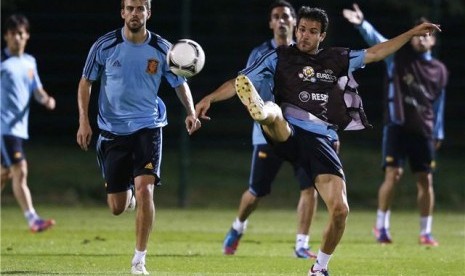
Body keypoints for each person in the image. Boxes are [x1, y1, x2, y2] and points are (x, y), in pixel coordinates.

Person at [233, 6, 441, 276]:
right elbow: (238, 80)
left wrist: (412, 32)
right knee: (271, 130)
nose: (306, 35)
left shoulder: (335, 58)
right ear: (296, 31)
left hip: (321, 140)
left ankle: (318, 268)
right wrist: (207, 101)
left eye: (313, 31)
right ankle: (265, 111)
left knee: (340, 210)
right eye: (303, 30)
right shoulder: (279, 56)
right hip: (288, 132)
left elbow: (378, 51)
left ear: (322, 36)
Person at [76, 0, 201, 275]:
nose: (135, 13)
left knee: (146, 189)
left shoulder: (162, 48)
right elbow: (86, 82)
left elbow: (180, 82)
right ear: (122, 12)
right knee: (117, 207)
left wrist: (191, 112)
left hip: (149, 126)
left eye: (140, 8)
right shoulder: (104, 45)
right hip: (112, 131)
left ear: (149, 12)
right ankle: (127, 195)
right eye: (130, 8)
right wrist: (84, 121)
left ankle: (139, 260)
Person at [195, 0, 326, 259]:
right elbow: (239, 82)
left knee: (309, 186)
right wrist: (210, 97)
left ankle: (301, 244)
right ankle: (238, 226)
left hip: (301, 131)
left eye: (286, 16)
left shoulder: (307, 53)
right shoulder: (261, 54)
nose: (282, 20)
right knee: (256, 193)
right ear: (270, 23)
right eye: (276, 16)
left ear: (295, 23)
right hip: (268, 132)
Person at [342, 3, 448, 246]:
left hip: (424, 129)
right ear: (412, 36)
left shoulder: (439, 70)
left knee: (425, 179)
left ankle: (426, 232)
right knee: (394, 174)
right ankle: (381, 226)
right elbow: (378, 42)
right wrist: (361, 23)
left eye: (427, 35)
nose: (422, 38)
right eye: (419, 33)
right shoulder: (397, 58)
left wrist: (438, 131)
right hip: (397, 126)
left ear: (432, 42)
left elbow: (438, 105)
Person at [1, 14, 57, 233]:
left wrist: (46, 99)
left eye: (21, 33)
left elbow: (37, 90)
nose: (18, 37)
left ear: (27, 36)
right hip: (4, 128)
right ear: (6, 36)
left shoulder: (30, 62)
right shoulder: (2, 62)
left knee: (5, 174)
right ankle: (32, 219)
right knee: (20, 170)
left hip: (19, 128)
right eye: (13, 33)